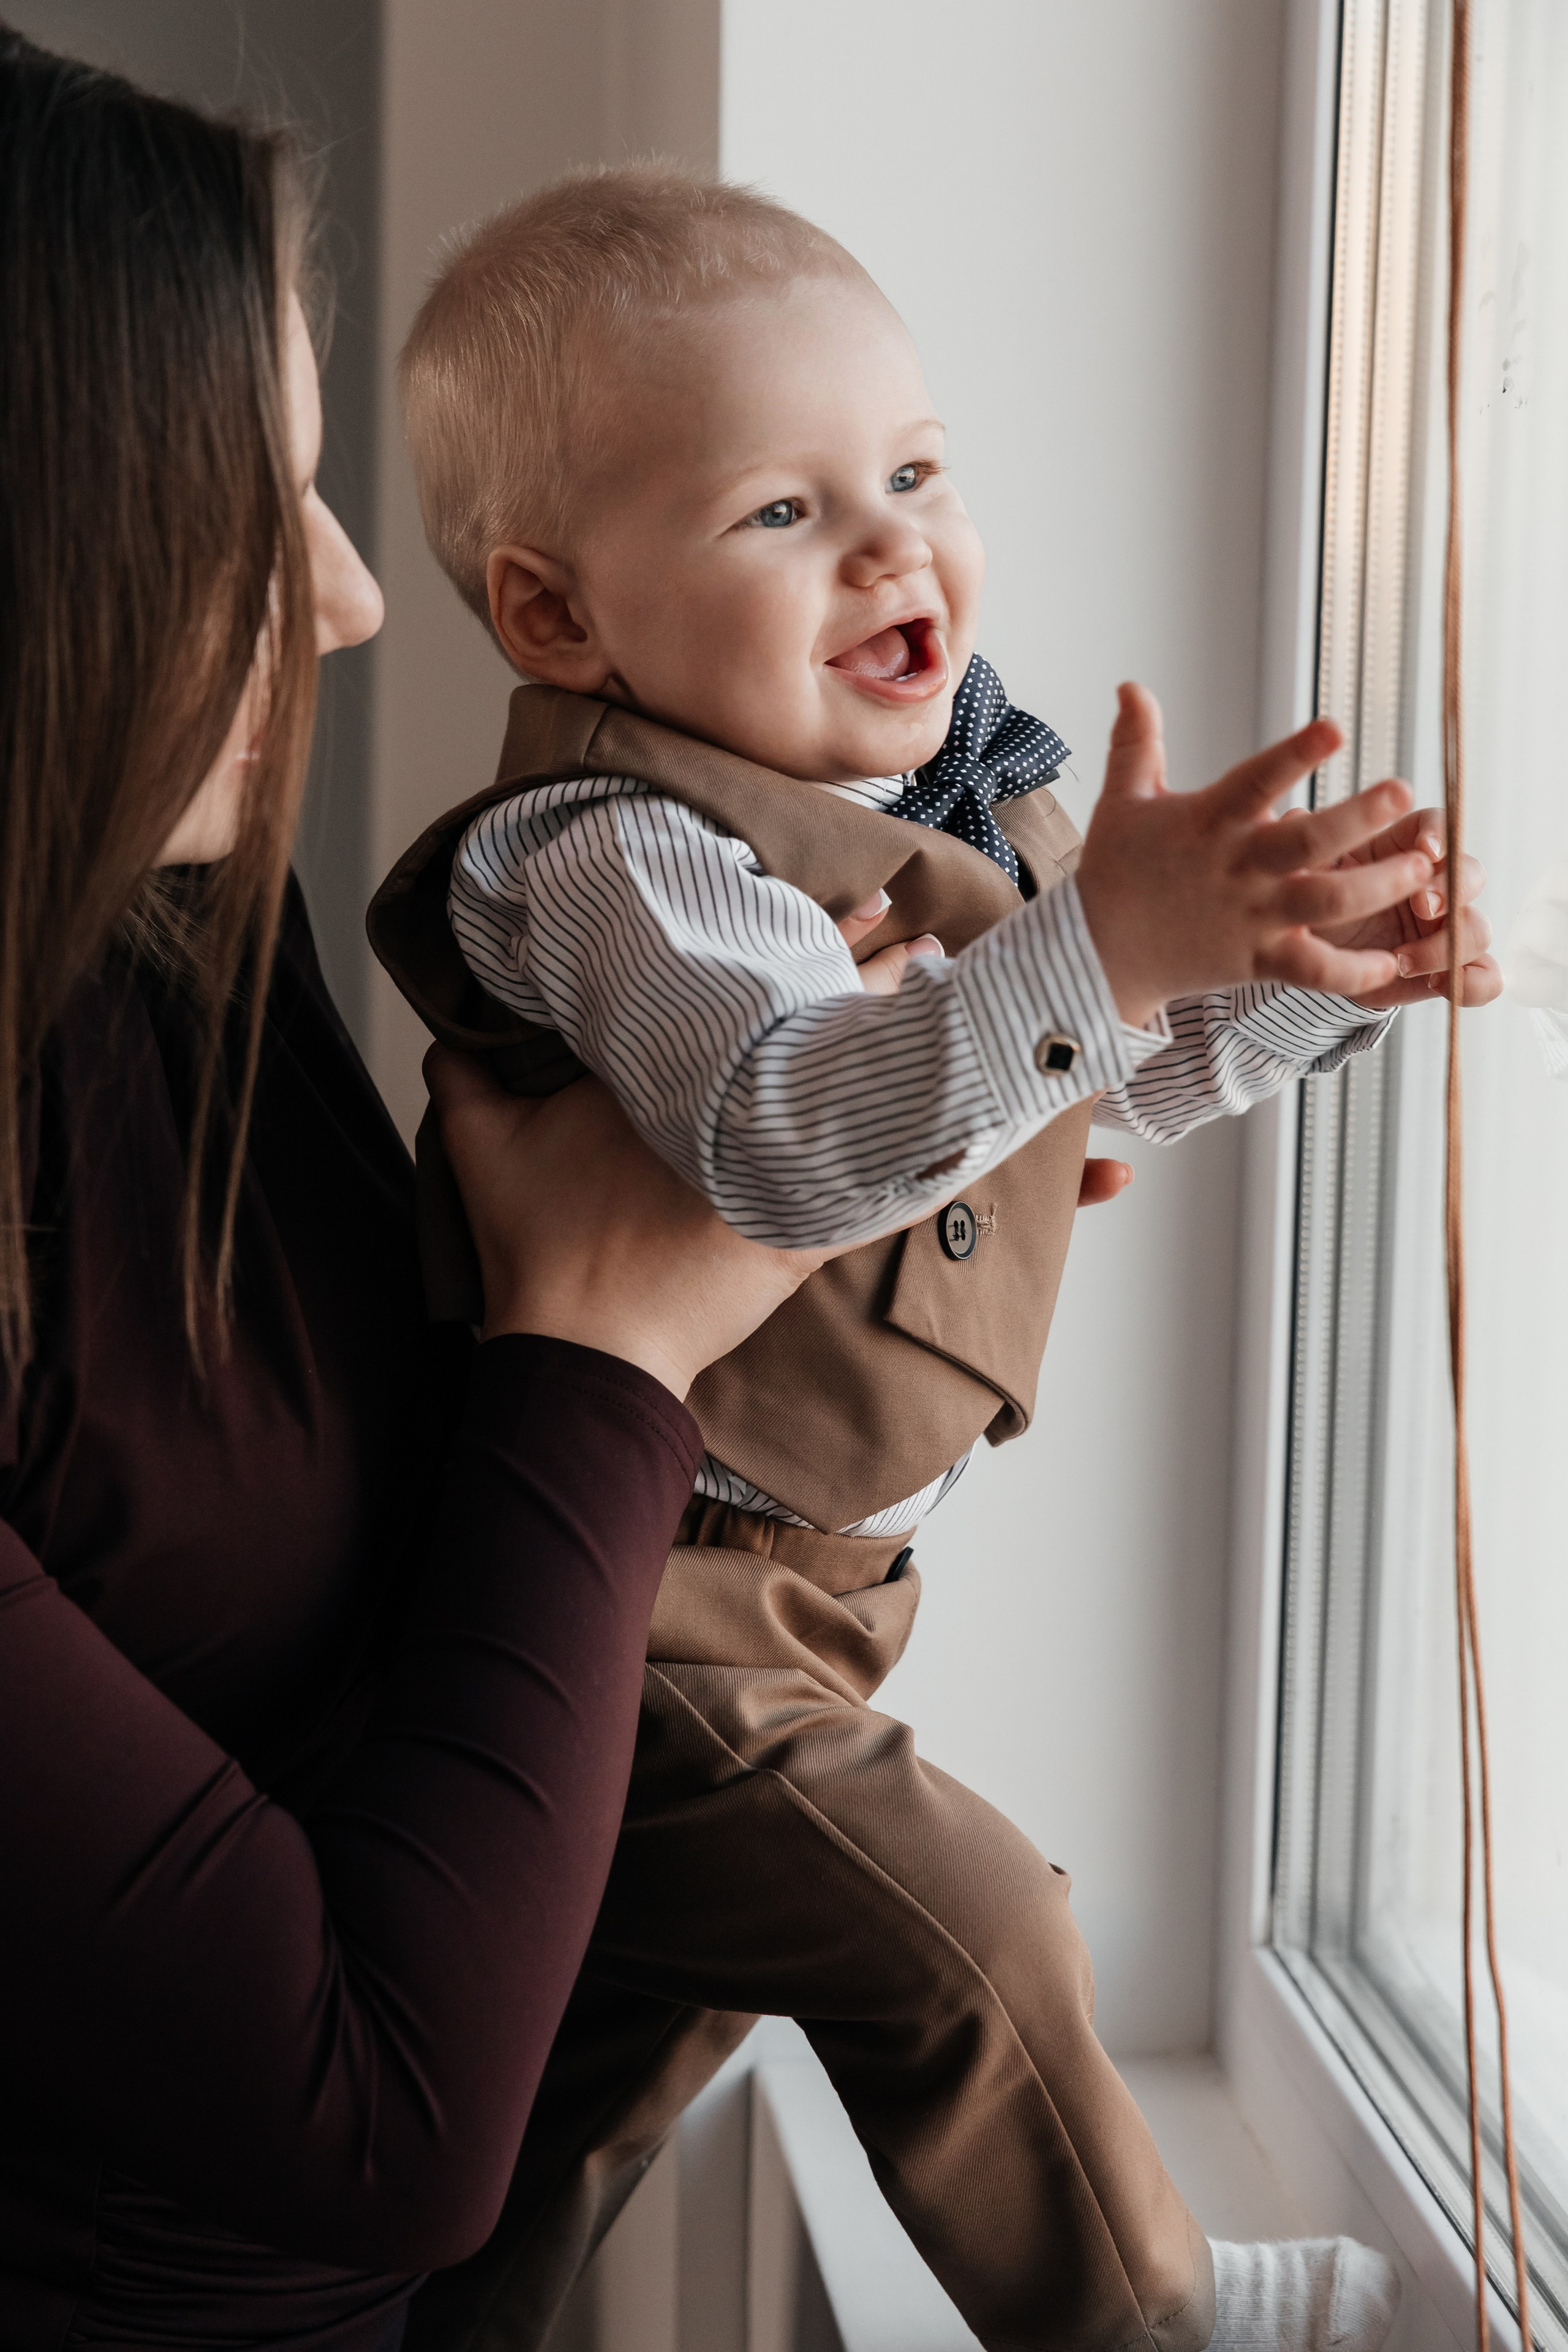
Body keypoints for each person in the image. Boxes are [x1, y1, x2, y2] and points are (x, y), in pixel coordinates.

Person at [370, 170, 1501, 2352]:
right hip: (636, 1604)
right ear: (558, 616)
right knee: (974, 1928)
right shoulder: (612, 861)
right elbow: (789, 1138)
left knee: (574, 2098)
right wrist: (1098, 953)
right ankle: (1154, 2317)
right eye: (780, 513)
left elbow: (1084, 1091)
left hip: (811, 1597)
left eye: (909, 474)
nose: (893, 548)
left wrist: (1306, 981)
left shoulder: (956, 825)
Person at [0, 34, 854, 2351]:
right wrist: (599, 1356)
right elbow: (385, 2120)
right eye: (239, 507)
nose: (361, 602)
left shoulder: (160, 931)